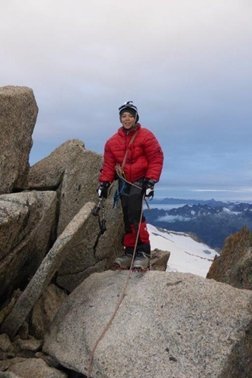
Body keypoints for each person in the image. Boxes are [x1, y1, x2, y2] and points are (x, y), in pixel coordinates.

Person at [97, 101, 163, 270]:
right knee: (127, 216)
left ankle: (142, 251)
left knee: (135, 213)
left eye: (130, 116)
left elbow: (156, 158)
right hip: (124, 182)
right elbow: (109, 165)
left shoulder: (146, 136)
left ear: (136, 118)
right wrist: (104, 183)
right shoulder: (112, 142)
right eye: (124, 116)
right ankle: (130, 251)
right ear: (120, 118)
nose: (127, 119)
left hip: (140, 180)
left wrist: (150, 181)